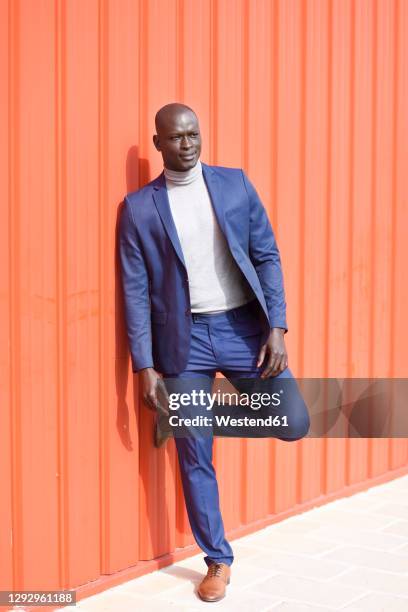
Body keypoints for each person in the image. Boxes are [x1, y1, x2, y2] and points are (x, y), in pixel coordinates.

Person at [118, 102, 310, 602]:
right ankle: (217, 560)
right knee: (195, 455)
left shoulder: (234, 184)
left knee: (293, 421)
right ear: (158, 144)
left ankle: (195, 416)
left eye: (194, 134)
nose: (188, 144)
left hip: (242, 330)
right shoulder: (139, 208)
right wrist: (144, 365)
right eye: (177, 138)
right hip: (182, 345)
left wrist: (278, 328)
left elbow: (267, 254)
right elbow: (134, 289)